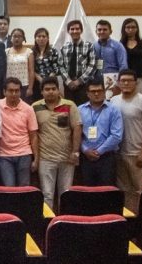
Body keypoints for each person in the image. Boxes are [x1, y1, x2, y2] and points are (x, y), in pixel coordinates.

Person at [111, 69, 142, 211]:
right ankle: (129, 220)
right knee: (124, 192)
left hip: (137, 154)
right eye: (123, 80)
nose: (126, 83)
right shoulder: (113, 101)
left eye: (129, 80)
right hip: (119, 154)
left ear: (136, 83)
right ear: (118, 83)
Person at [32, 77, 81, 210]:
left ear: (59, 90)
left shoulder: (70, 105)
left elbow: (77, 128)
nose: (50, 92)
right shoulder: (35, 107)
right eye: (47, 89)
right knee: (47, 194)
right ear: (41, 92)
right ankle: (48, 221)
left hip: (67, 158)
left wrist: (75, 151)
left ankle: (64, 221)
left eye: (53, 89)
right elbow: (33, 133)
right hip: (45, 158)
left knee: (65, 194)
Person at [79, 79, 123, 186]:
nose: (96, 93)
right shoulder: (79, 110)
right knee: (88, 191)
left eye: (99, 91)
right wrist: (85, 150)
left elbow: (116, 135)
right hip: (86, 157)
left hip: (107, 157)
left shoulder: (113, 110)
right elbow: (75, 134)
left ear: (104, 92)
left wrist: (99, 151)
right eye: (93, 91)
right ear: (87, 93)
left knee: (106, 191)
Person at [0, 77, 38, 186]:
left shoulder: (28, 109)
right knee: (9, 188)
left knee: (24, 188)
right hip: (4, 155)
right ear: (4, 92)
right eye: (11, 90)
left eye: (17, 91)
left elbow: (33, 135)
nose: (14, 94)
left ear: (20, 92)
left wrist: (36, 159)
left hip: (24, 153)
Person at [59, 20, 96, 106]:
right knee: (69, 108)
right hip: (68, 85)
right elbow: (60, 66)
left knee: (85, 108)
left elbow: (92, 65)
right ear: (68, 31)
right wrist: (69, 81)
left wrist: (79, 81)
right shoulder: (64, 47)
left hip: (84, 84)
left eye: (77, 29)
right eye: (72, 29)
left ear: (81, 30)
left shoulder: (89, 46)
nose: (75, 31)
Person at [120, 18, 142, 94]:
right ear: (124, 29)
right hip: (127, 79)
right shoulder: (120, 44)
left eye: (133, 27)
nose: (130, 29)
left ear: (137, 29)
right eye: (128, 27)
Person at [6, 28, 36, 101]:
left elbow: (31, 71)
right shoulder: (6, 52)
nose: (17, 38)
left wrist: (30, 88)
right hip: (9, 85)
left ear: (23, 38)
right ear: (11, 38)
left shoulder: (29, 52)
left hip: (24, 86)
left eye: (19, 36)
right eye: (14, 36)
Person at [31, 28, 60, 102]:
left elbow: (56, 67)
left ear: (48, 38)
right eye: (39, 36)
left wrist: (48, 80)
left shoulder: (53, 51)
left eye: (44, 36)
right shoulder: (31, 52)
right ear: (35, 38)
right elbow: (31, 68)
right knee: (38, 103)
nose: (41, 38)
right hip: (36, 82)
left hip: (51, 81)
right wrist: (40, 79)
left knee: (52, 101)